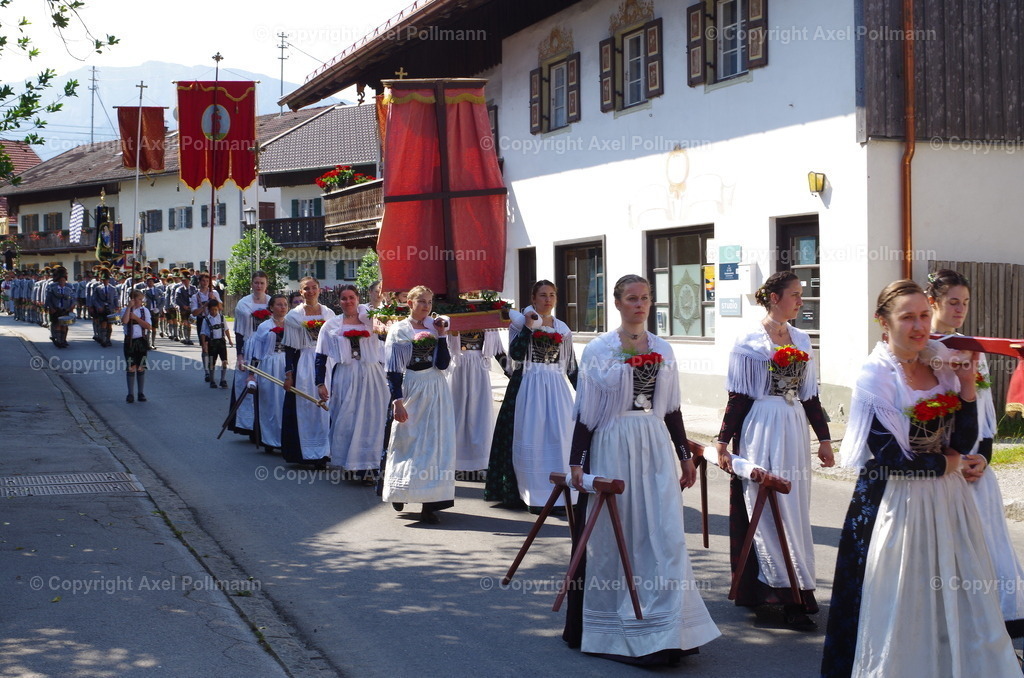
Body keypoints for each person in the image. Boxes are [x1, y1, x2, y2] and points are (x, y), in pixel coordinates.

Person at [820, 279, 1019, 677]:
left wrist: (965, 387)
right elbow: (890, 456)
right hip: (892, 500)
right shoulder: (876, 376)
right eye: (907, 317)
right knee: (899, 596)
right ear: (884, 322)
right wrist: (946, 465)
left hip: (949, 501)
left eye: (924, 315)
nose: (919, 326)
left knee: (957, 591)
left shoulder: (940, 360)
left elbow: (962, 440)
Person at [564, 274, 720, 665]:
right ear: (617, 303)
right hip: (613, 443)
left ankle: (669, 630)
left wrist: (685, 454)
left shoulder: (664, 348)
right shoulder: (599, 349)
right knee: (617, 537)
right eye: (632, 298)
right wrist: (576, 462)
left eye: (646, 298)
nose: (640, 304)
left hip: (652, 446)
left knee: (664, 536)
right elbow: (585, 414)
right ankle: (617, 629)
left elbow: (672, 409)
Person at [713, 271, 833, 630]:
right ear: (775, 298)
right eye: (795, 294)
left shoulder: (801, 338)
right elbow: (739, 397)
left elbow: (811, 396)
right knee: (765, 501)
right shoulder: (749, 341)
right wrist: (721, 441)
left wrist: (824, 439)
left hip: (793, 427)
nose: (801, 300)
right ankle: (774, 590)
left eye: (801, 294)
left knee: (794, 506)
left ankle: (798, 585)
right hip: (762, 426)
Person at [927, 268, 1024, 637]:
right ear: (933, 302)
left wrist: (983, 456)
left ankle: (994, 638)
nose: (960, 309)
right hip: (940, 464)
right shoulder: (923, 347)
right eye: (953, 302)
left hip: (974, 465)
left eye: (965, 303)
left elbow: (984, 415)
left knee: (987, 545)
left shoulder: (975, 351)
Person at [485, 280, 577, 510]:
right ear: (533, 298)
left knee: (560, 436)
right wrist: (528, 327)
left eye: (552, 294)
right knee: (528, 435)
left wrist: (583, 393)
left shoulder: (562, 328)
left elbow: (570, 365)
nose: (548, 299)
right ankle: (531, 492)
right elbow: (515, 355)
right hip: (527, 383)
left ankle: (562, 490)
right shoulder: (520, 323)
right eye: (543, 295)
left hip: (555, 388)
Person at [381, 286, 455, 524]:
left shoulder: (436, 326)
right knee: (407, 441)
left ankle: (430, 503)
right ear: (410, 303)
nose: (426, 306)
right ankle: (401, 489)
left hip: (436, 387)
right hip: (411, 385)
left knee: (435, 444)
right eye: (421, 301)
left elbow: (443, 364)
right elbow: (393, 370)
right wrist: (397, 401)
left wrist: (442, 336)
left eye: (430, 302)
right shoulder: (399, 329)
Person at [315, 284, 389, 482]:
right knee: (346, 418)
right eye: (344, 298)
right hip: (345, 375)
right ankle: (349, 462)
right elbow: (320, 356)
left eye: (351, 297)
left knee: (371, 418)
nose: (348, 301)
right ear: (339, 301)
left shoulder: (371, 318)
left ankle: (370, 466)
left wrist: (380, 325)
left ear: (358, 298)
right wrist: (320, 383)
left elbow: (387, 336)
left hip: (371, 373)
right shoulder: (331, 325)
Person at [281, 276, 336, 467]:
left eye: (314, 288)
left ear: (320, 290)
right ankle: (306, 451)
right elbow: (290, 349)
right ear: (301, 292)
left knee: (327, 405)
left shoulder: (329, 314)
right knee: (307, 406)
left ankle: (325, 452)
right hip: (305, 362)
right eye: (306, 288)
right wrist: (289, 374)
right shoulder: (293, 317)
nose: (311, 291)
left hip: (326, 361)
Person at [446, 328, 506, 479]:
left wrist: (510, 371)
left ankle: (480, 461)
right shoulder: (450, 318)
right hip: (457, 366)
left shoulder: (487, 320)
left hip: (479, 367)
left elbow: (498, 352)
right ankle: (453, 461)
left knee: (479, 415)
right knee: (456, 414)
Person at [245, 294, 290, 453]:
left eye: (285, 304)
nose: (283, 307)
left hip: (286, 365)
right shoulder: (264, 326)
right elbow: (256, 352)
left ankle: (286, 440)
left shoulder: (292, 324)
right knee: (270, 404)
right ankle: (270, 439)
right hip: (269, 366)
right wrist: (252, 373)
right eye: (279, 304)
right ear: (271, 307)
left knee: (285, 403)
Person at [229, 271, 270, 436]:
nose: (259, 286)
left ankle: (264, 424)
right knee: (246, 383)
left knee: (265, 385)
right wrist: (239, 355)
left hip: (267, 346)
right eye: (256, 283)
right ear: (251, 284)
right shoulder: (243, 304)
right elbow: (239, 332)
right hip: (249, 345)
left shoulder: (271, 302)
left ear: (266, 285)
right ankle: (248, 424)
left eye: (262, 283)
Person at [121, 289, 152, 403]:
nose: (141, 301)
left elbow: (148, 326)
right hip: (129, 342)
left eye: (141, 299)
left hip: (141, 341)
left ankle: (141, 393)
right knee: (131, 367)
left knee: (141, 366)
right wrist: (129, 308)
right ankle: (130, 394)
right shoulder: (125, 310)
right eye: (139, 299)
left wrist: (136, 318)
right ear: (133, 299)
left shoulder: (145, 311)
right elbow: (124, 321)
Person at [191, 272, 221, 380]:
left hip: (214, 321)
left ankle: (212, 367)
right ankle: (206, 371)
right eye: (203, 281)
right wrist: (204, 305)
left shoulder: (214, 293)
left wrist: (214, 299)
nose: (205, 283)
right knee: (205, 347)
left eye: (207, 281)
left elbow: (221, 307)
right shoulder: (196, 296)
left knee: (215, 346)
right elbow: (194, 312)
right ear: (199, 282)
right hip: (203, 320)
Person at [200, 299, 232, 389]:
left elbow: (226, 329)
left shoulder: (222, 318)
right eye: (212, 310)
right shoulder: (206, 320)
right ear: (208, 310)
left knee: (224, 361)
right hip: (211, 343)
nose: (214, 311)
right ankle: (212, 380)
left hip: (221, 342)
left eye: (215, 309)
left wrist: (229, 340)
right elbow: (203, 333)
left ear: (218, 309)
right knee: (211, 362)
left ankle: (223, 380)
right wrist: (204, 345)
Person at [44, 266, 76, 348]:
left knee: (65, 324)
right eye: (60, 280)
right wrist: (49, 307)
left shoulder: (69, 286)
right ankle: (58, 340)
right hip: (55, 308)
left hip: (66, 308)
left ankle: (63, 340)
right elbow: (48, 298)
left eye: (64, 279)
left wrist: (72, 307)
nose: (62, 281)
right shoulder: (52, 286)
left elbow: (73, 298)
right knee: (56, 323)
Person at [91, 269, 120, 348]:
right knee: (103, 323)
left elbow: (115, 298)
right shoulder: (98, 288)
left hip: (110, 308)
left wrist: (117, 307)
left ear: (109, 280)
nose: (105, 281)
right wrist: (98, 307)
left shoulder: (113, 288)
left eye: (106, 280)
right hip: (102, 308)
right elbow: (94, 299)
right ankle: (103, 339)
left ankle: (108, 339)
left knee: (109, 325)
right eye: (103, 280)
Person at [174, 272, 197, 346]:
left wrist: (193, 305)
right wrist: (183, 305)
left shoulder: (193, 288)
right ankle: (185, 338)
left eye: (187, 280)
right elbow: (177, 299)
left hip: (191, 308)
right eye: (184, 280)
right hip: (183, 309)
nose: (185, 282)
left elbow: (196, 297)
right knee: (185, 322)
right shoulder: (179, 289)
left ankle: (189, 338)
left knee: (189, 323)